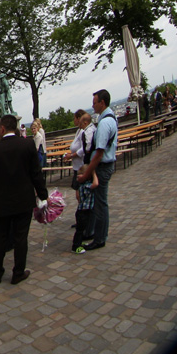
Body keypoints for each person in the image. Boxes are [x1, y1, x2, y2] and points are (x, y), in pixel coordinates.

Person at [0, 114, 48, 285]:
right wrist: (43, 195)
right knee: (20, 238)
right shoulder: (27, 145)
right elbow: (36, 174)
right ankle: (18, 272)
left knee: (0, 238)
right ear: (17, 127)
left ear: (2, 129)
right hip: (23, 200)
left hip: (1, 202)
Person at [76, 89, 118, 250]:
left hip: (103, 166)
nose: (92, 105)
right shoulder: (109, 117)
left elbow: (99, 153)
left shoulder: (105, 123)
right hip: (105, 165)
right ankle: (95, 233)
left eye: (94, 102)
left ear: (102, 102)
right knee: (99, 203)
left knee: (100, 204)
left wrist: (87, 173)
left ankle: (99, 238)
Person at [71, 166, 98, 254]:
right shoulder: (85, 186)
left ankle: (79, 242)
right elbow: (95, 184)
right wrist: (94, 173)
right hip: (83, 211)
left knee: (82, 228)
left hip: (82, 210)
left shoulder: (80, 186)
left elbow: (78, 197)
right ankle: (76, 246)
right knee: (79, 229)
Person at [69, 111, 95, 190]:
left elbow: (86, 147)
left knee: (80, 188)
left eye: (75, 118)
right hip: (77, 165)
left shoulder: (85, 131)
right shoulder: (79, 130)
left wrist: (72, 155)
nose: (74, 120)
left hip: (82, 163)